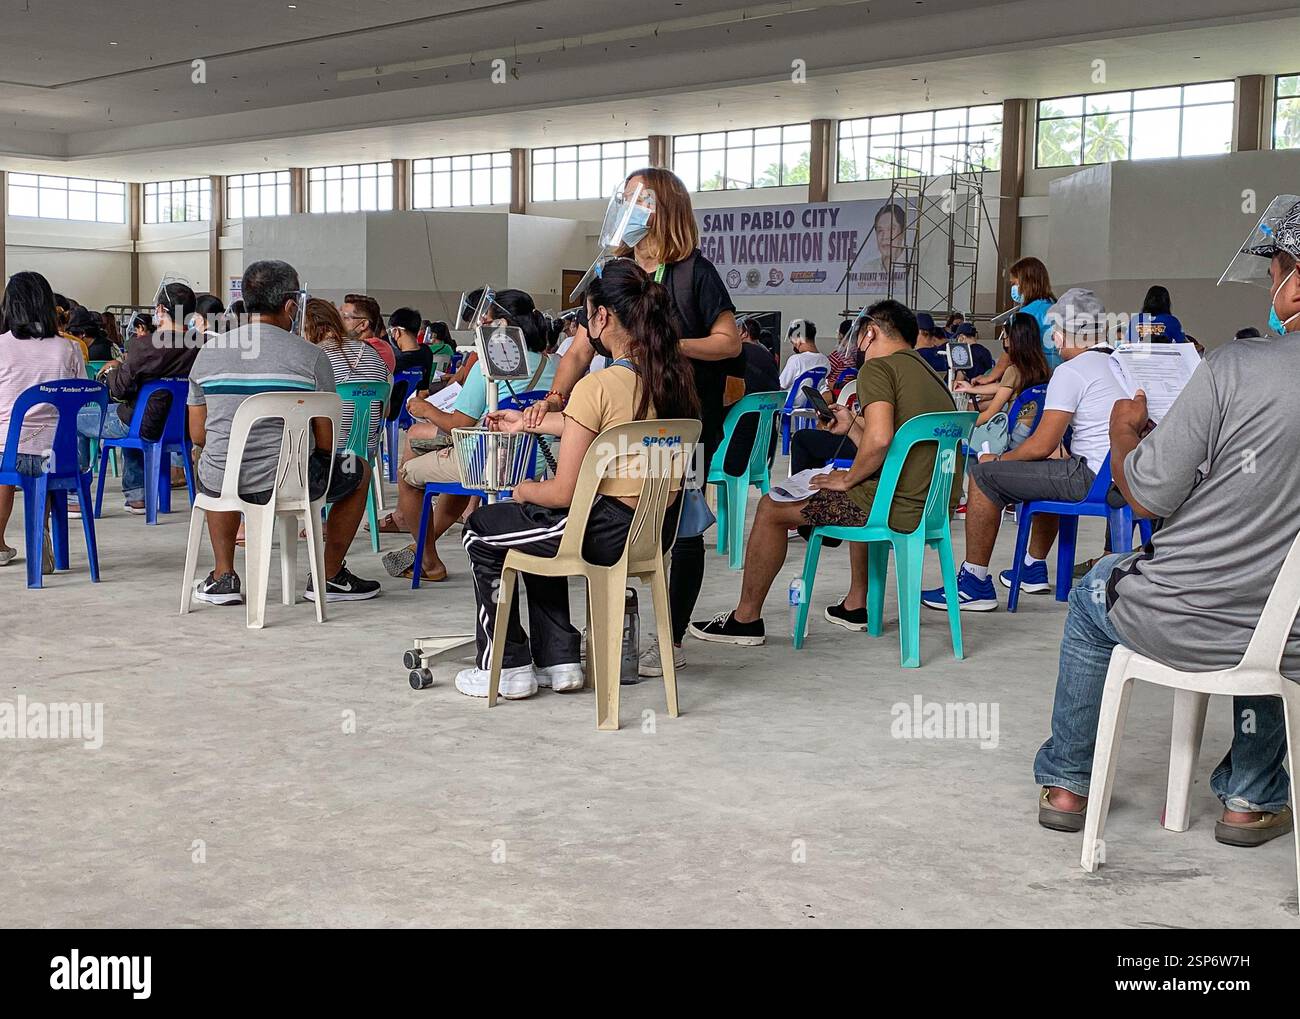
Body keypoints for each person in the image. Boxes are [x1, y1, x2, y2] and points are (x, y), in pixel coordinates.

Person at [1034, 231, 1300, 846]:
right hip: (1293, 633)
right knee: (1275, 593)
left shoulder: (1237, 365)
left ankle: (1069, 781)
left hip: (1187, 615)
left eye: (1279, 271)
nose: (1272, 285)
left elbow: (1148, 495)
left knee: (1093, 592)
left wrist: (1128, 433)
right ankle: (1249, 799)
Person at [521, 167, 742, 678]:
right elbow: (579, 350)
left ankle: (672, 634)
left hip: (679, 418)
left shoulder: (694, 273)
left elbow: (729, 342)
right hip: (620, 417)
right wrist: (556, 398)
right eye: (622, 200)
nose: (626, 209)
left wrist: (663, 345)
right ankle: (609, 627)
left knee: (680, 525)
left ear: (662, 207)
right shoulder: (616, 271)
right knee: (615, 512)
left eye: (635, 200)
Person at [453, 260, 700, 700]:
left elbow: (563, 492)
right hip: (654, 530)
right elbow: (603, 428)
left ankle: (504, 665)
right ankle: (558, 658)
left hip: (603, 532)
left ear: (602, 317)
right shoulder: (673, 379)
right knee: (530, 523)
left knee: (484, 531)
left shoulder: (597, 384)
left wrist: (518, 489)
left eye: (587, 318)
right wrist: (526, 425)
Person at [689, 299, 959, 643]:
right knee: (859, 481)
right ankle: (856, 604)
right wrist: (850, 426)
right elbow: (890, 442)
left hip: (890, 506)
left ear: (870, 333)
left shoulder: (879, 369)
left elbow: (879, 440)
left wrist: (847, 478)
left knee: (771, 507)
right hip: (932, 507)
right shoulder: (930, 377)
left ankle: (745, 620)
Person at [186, 260, 380, 605]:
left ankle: (223, 575)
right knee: (359, 469)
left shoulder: (208, 353)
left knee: (214, 457)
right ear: (291, 306)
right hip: (293, 483)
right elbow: (326, 440)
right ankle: (329, 575)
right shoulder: (311, 356)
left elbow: (199, 434)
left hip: (221, 480)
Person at [922, 289, 1122, 611]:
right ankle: (1031, 567)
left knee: (983, 476)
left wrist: (997, 459)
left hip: (1088, 477)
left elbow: (1041, 445)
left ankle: (974, 583)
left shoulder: (1072, 371)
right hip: (1118, 478)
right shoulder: (1121, 364)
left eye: (1055, 332)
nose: (1054, 341)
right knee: (1045, 476)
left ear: (1068, 331)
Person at [384, 288, 556, 583]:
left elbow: (459, 423)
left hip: (487, 461)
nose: (480, 326)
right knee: (452, 476)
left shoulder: (487, 367)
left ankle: (428, 559)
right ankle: (422, 545)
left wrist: (425, 407)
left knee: (407, 474)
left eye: (485, 320)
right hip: (531, 464)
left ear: (501, 325)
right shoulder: (552, 364)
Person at [79, 282, 201, 514]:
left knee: (72, 417)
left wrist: (114, 370)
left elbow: (121, 390)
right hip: (184, 426)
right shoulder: (200, 344)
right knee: (136, 410)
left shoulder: (145, 345)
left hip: (144, 424)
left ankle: (75, 496)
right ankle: (135, 494)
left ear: (161, 310)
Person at [0, 272, 86, 566]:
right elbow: (83, 398)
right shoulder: (68, 347)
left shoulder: (1, 347)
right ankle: (41, 532)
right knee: (42, 464)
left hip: (8, 453)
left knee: (5, 459)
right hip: (58, 455)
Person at [302, 298, 390, 463]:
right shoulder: (373, 353)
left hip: (329, 453)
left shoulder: (314, 356)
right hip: (367, 450)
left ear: (308, 329)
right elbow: (386, 411)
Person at [952, 312, 1051, 454]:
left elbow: (990, 413)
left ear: (1012, 339)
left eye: (1004, 336)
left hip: (1012, 437)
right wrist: (972, 389)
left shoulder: (1013, 370)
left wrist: (960, 427)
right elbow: (1003, 387)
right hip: (1033, 431)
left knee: (962, 441)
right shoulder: (1042, 368)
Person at [977, 256, 1058, 382]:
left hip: (1037, 378)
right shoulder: (1056, 307)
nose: (1013, 289)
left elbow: (1012, 351)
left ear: (1026, 282)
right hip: (1059, 376)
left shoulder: (1025, 314)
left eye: (1014, 284)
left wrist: (990, 377)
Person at [341, 293, 396, 372]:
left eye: (345, 318)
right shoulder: (386, 348)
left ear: (363, 324)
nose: (339, 322)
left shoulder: (354, 351)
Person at [779, 319, 830, 402]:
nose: (794, 346)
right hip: (811, 408)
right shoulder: (825, 361)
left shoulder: (796, 360)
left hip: (790, 408)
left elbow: (781, 385)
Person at [388, 307, 432, 394]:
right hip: (415, 405)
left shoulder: (394, 363)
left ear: (397, 332)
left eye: (391, 331)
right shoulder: (427, 352)